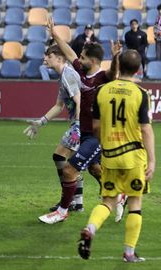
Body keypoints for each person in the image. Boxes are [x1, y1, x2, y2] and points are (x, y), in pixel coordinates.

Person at [38, 17, 122, 224]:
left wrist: (116, 56)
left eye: (83, 57)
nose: (79, 59)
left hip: (97, 135)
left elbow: (114, 72)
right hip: (84, 132)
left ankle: (63, 211)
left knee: (69, 169)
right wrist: (54, 33)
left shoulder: (103, 78)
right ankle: (119, 195)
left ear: (93, 61)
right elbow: (68, 52)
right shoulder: (82, 71)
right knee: (95, 169)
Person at [78, 50, 155, 262]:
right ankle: (129, 252)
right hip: (134, 158)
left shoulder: (102, 91)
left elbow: (95, 127)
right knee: (135, 202)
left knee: (108, 202)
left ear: (118, 65)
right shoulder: (140, 93)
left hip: (110, 155)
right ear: (139, 69)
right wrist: (152, 160)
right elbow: (146, 129)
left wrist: (107, 144)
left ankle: (90, 229)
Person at [23, 45, 82, 223]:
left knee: (60, 157)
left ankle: (71, 200)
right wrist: (40, 122)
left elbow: (79, 100)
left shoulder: (69, 75)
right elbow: (59, 105)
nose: (45, 59)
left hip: (82, 123)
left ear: (58, 57)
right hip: (81, 123)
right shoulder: (63, 75)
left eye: (48, 55)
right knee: (89, 166)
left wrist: (78, 126)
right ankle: (76, 201)